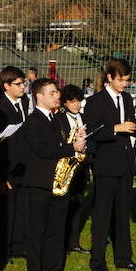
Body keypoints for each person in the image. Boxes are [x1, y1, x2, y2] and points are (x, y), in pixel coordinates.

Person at [81, 58, 136, 271]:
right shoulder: (95, 101)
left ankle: (124, 258)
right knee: (102, 215)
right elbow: (92, 133)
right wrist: (117, 128)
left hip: (125, 165)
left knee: (123, 213)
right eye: (120, 80)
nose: (124, 84)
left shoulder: (126, 98)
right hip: (106, 166)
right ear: (109, 77)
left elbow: (131, 125)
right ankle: (97, 261)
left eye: (127, 80)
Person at [20, 78, 85, 271]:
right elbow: (43, 150)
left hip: (60, 182)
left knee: (57, 229)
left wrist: (79, 138)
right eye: (52, 93)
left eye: (57, 92)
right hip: (39, 184)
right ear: (39, 96)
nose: (57, 96)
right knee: (37, 231)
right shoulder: (33, 121)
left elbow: (62, 144)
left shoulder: (57, 119)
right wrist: (71, 147)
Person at [0, 66, 29, 260]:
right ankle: (0, 248)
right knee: (2, 210)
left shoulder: (25, 101)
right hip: (3, 165)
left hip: (21, 164)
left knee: (20, 207)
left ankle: (18, 245)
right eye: (18, 84)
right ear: (6, 86)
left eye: (24, 83)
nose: (23, 87)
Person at [57, 85, 90, 255]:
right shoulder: (59, 118)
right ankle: (61, 242)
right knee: (63, 206)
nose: (76, 104)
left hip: (81, 167)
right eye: (72, 101)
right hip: (65, 167)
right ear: (64, 102)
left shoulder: (84, 117)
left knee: (78, 204)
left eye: (78, 101)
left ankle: (74, 242)